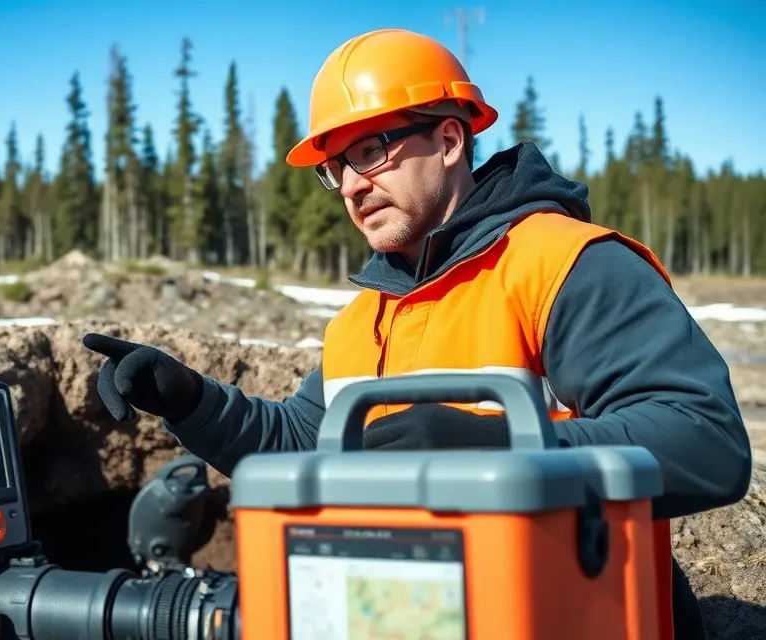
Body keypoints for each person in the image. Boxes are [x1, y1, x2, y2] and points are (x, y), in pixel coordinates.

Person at [82, 28, 752, 640]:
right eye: (333, 167)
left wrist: (502, 449)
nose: (349, 185)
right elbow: (305, 444)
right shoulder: (364, 318)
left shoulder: (565, 266)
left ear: (450, 139)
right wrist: (191, 400)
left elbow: (705, 441)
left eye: (369, 150)